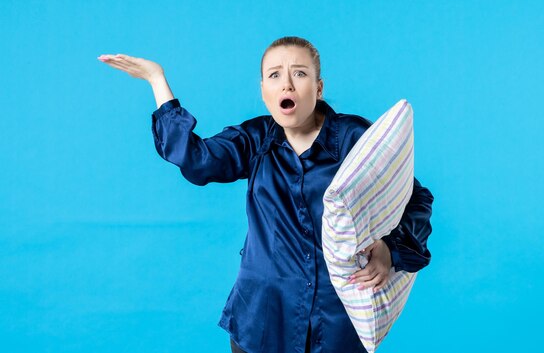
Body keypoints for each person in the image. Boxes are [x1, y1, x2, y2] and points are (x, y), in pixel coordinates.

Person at [98, 36, 434, 353]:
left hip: (334, 326)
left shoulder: (353, 136)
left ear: (318, 88)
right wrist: (157, 79)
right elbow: (196, 160)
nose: (286, 83)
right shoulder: (255, 138)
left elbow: (414, 197)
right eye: (275, 75)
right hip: (260, 321)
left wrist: (391, 250)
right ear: (264, 91)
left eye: (299, 73)